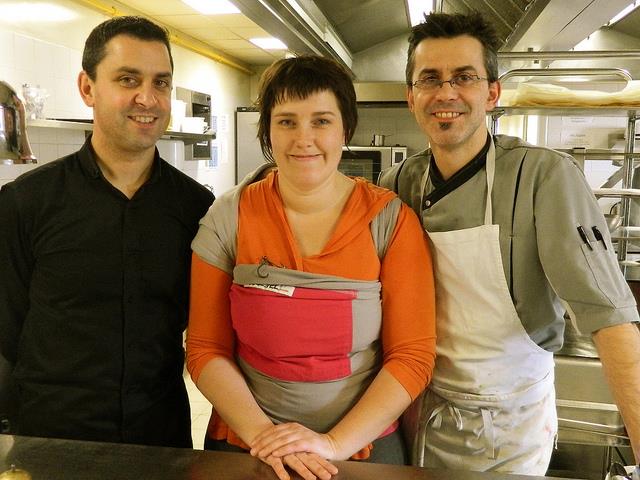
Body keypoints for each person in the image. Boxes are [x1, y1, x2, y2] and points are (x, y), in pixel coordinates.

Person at [379, 11, 640, 474]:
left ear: (492, 93)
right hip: (421, 412)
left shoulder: (544, 178)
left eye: (464, 77)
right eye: (430, 79)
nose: (446, 93)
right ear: (411, 97)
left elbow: (610, 319)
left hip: (511, 426)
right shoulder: (398, 182)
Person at [186, 55, 436, 480]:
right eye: (286, 121)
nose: (304, 138)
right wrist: (263, 435)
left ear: (345, 130)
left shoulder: (389, 221)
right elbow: (205, 348)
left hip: (362, 450)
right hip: (245, 446)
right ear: (267, 130)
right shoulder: (229, 217)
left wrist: (332, 444)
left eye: (321, 121)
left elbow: (412, 356)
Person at [0, 16, 214, 447]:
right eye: (128, 79)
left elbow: (206, 332)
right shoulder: (25, 203)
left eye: (161, 83)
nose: (147, 98)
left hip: (160, 442)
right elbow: (4, 337)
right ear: (87, 88)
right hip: (51, 443)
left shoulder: (196, 209)